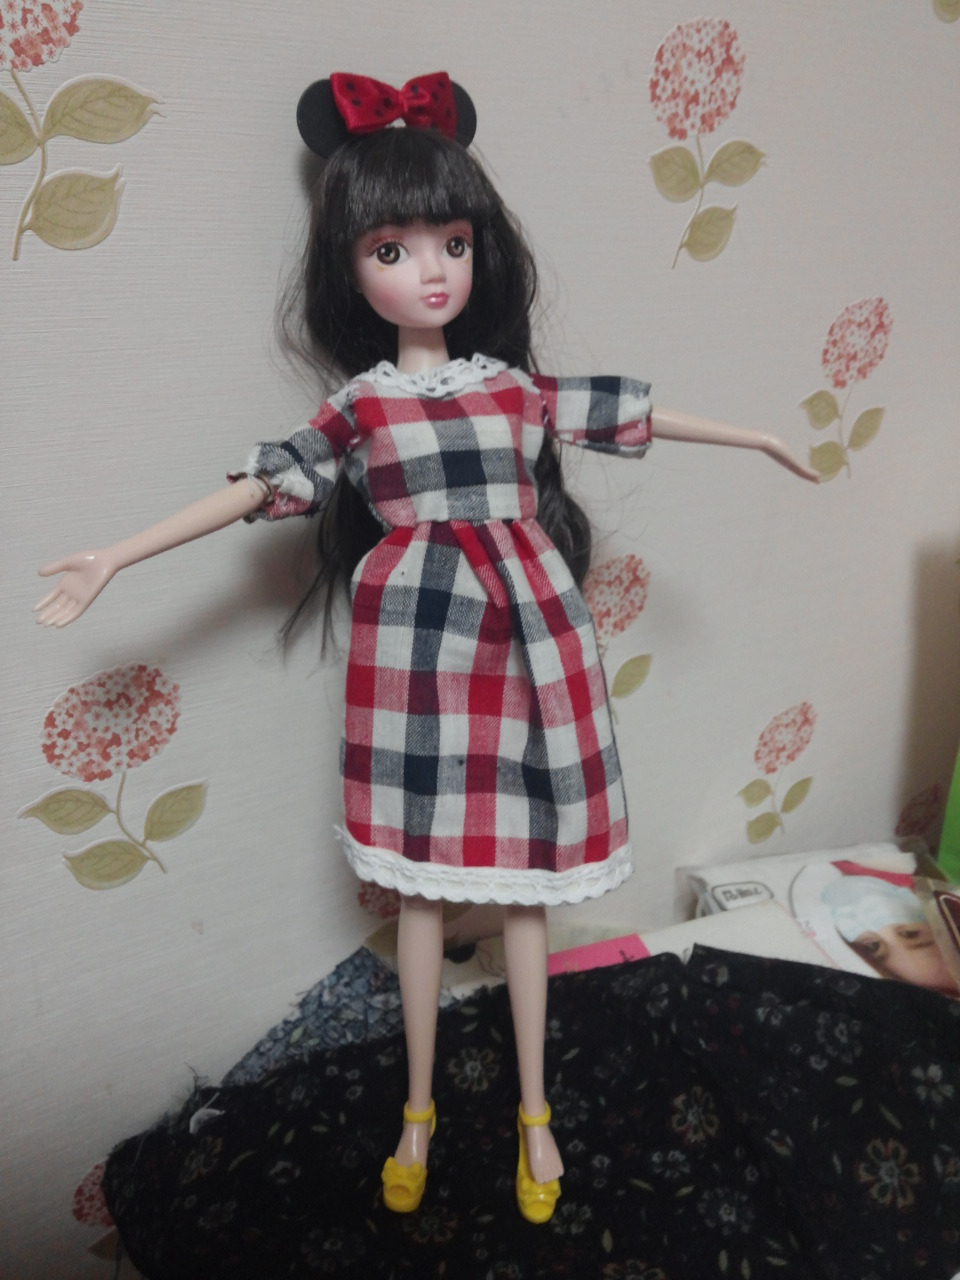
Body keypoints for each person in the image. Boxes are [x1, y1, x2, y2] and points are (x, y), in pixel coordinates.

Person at [34, 72, 818, 1223]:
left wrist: (754, 434)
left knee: (528, 887)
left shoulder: (512, 389)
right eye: (393, 249)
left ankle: (536, 1111)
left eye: (453, 241)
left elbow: (627, 410)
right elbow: (259, 482)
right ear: (350, 266)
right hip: (415, 656)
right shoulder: (362, 408)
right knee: (417, 885)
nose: (433, 271)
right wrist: (117, 553)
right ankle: (418, 1107)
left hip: (533, 642)